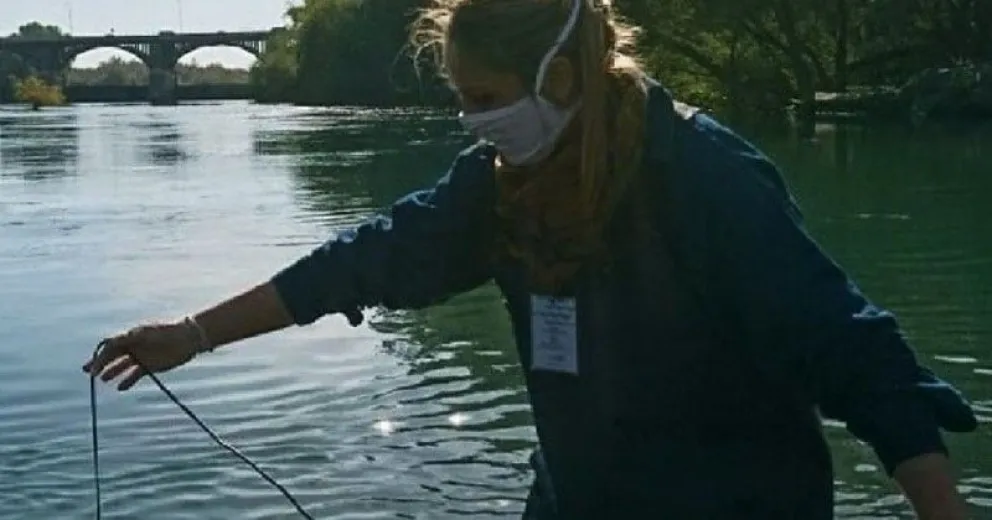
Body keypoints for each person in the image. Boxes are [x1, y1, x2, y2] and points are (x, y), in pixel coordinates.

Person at [84, 0, 979, 518]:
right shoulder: (500, 185)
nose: (475, 121)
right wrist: (193, 333)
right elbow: (361, 262)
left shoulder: (704, 176)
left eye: (484, 98)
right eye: (461, 100)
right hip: (575, 501)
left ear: (560, 77)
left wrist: (940, 509)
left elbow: (849, 350)